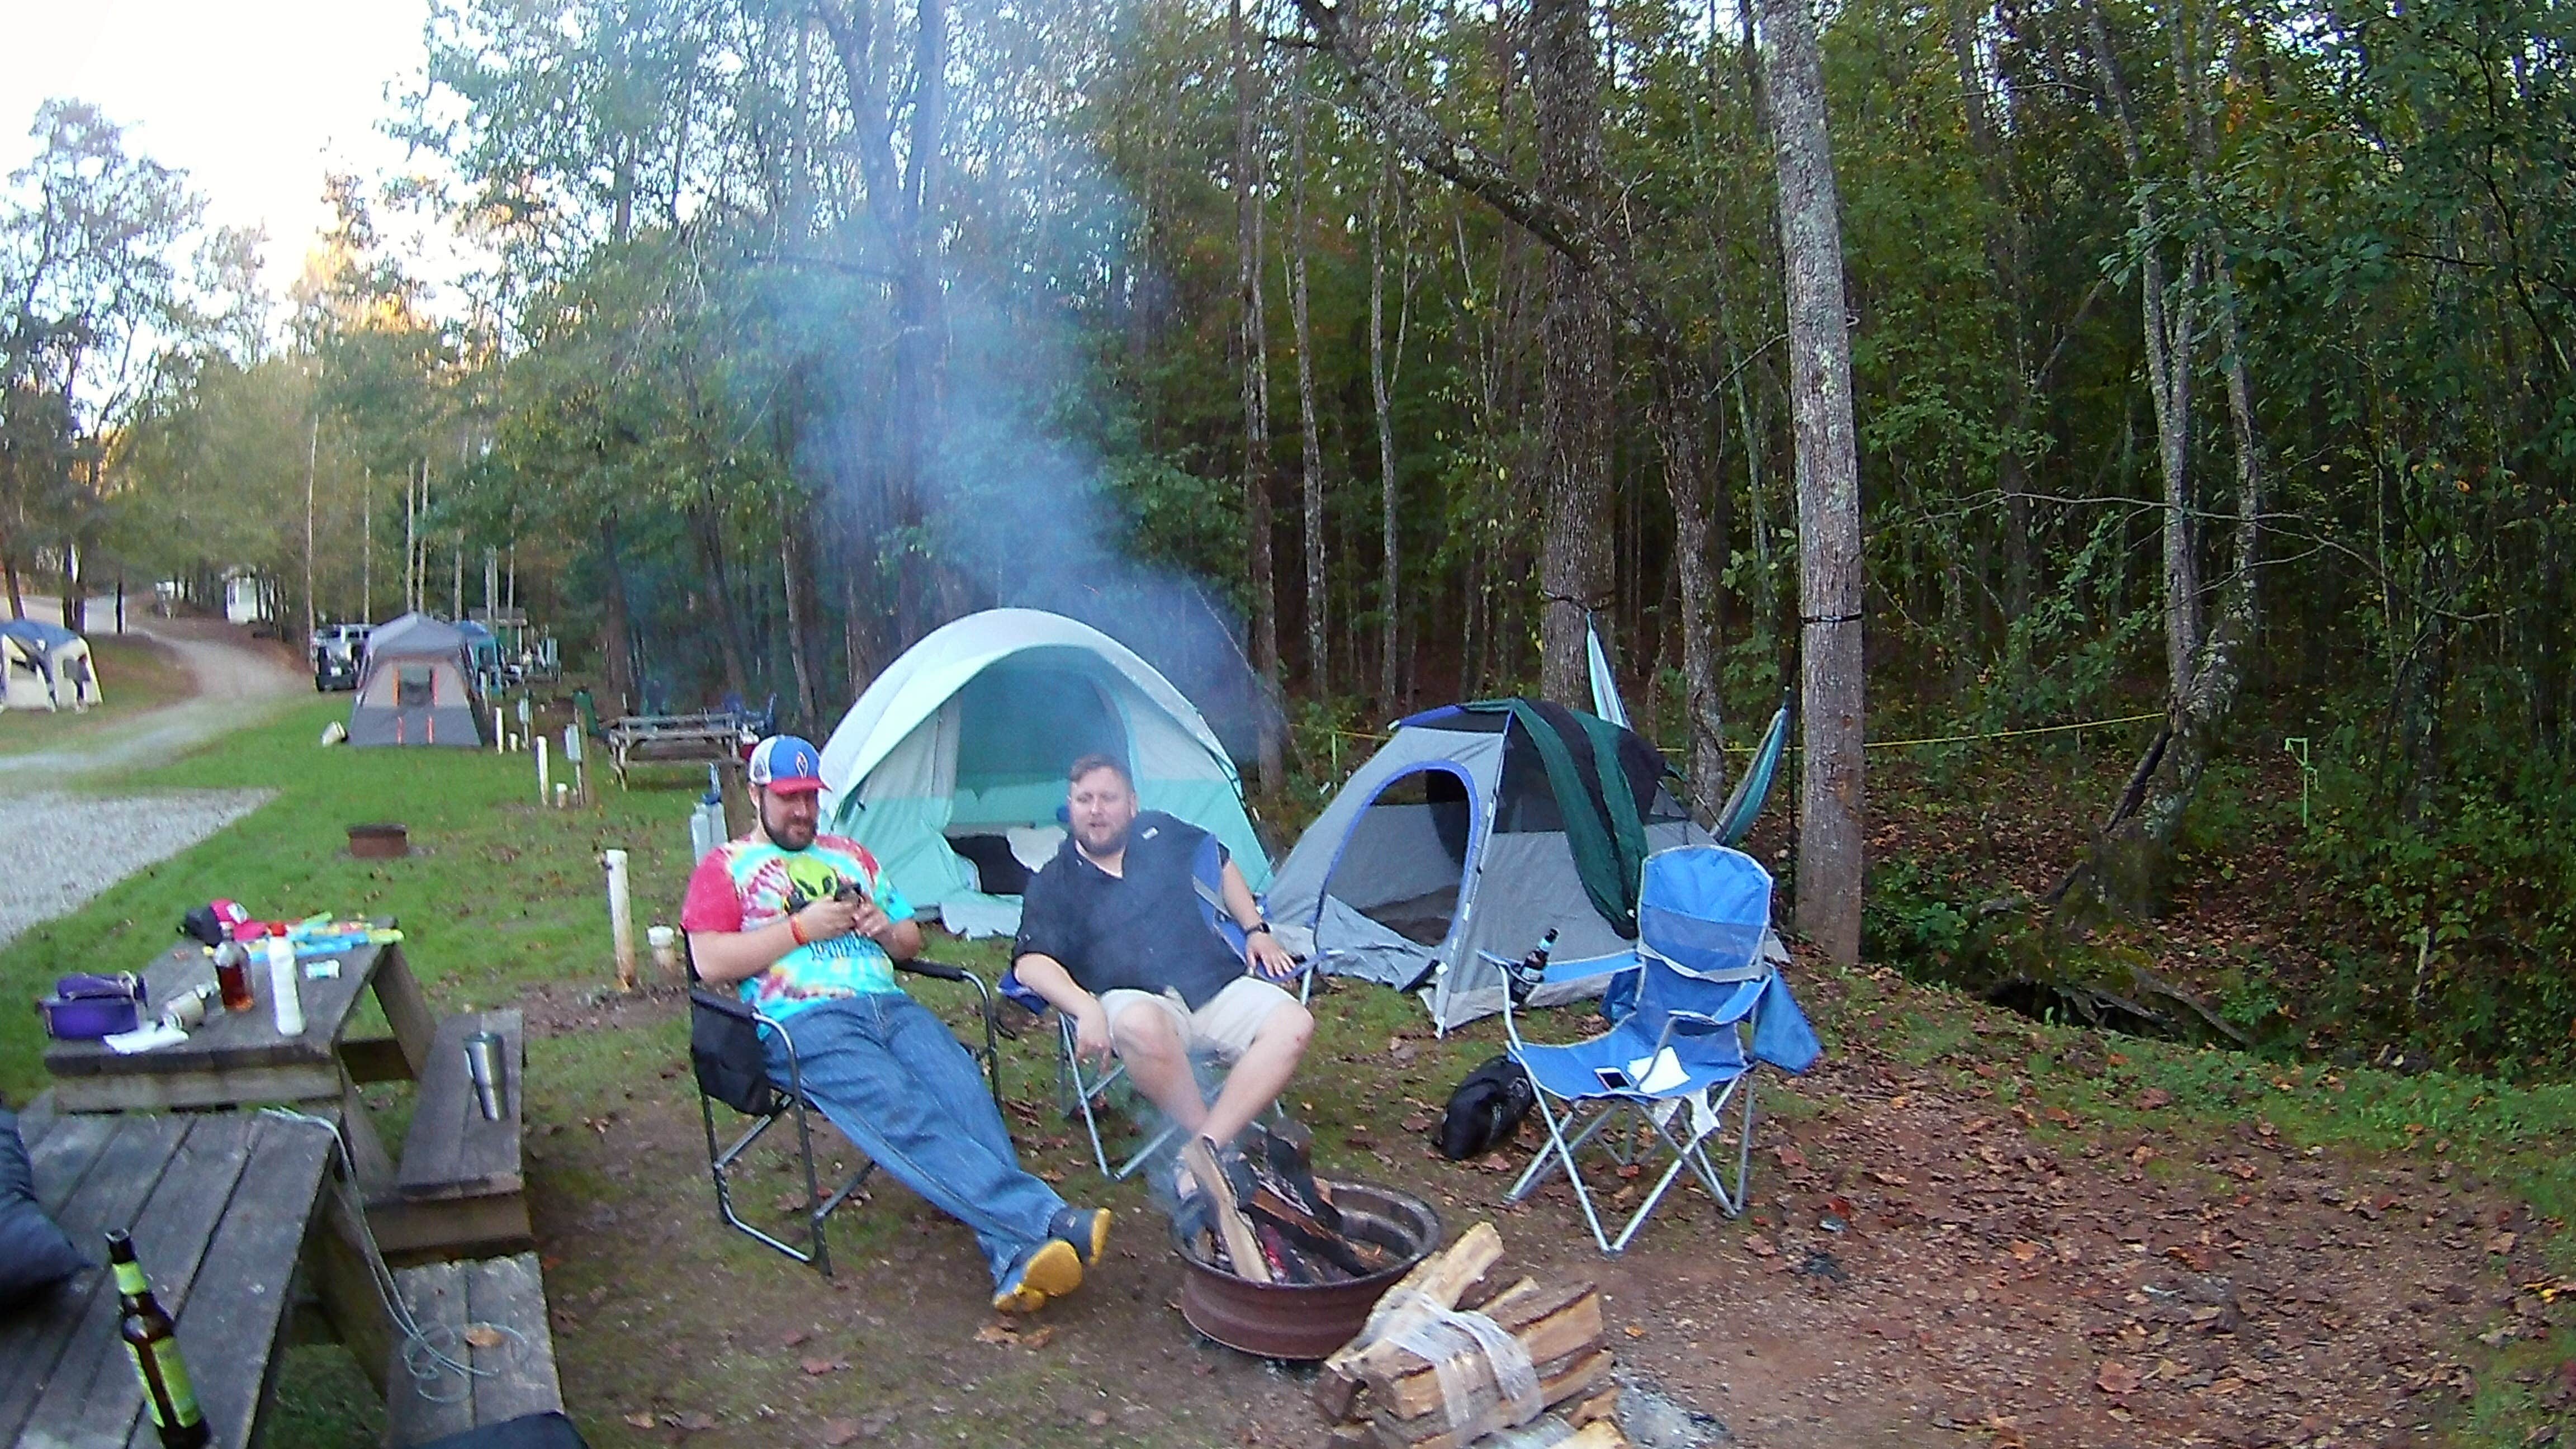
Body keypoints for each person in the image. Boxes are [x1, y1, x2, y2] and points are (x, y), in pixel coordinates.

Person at [683, 735, 1108, 1313]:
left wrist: (883, 928)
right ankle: (1047, 1219)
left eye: (809, 796)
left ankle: (1013, 1257)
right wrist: (803, 930)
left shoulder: (851, 854)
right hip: (803, 1021)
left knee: (962, 1091)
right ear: (756, 794)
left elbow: (910, 941)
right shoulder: (725, 865)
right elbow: (708, 963)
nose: (803, 810)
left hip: (890, 1007)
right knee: (903, 1107)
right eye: (787, 798)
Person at [1011, 755, 1313, 1162]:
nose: (1096, 810)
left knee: (1295, 1023)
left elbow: (1219, 862)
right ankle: (1212, 1145)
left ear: (1132, 804)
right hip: (1135, 1000)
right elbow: (1030, 961)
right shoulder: (1055, 881)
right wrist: (1086, 1007)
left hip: (1211, 984)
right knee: (1140, 1023)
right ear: (1071, 806)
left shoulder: (1161, 832)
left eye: (1108, 798)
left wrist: (1256, 929)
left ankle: (1205, 1150)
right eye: (1085, 800)